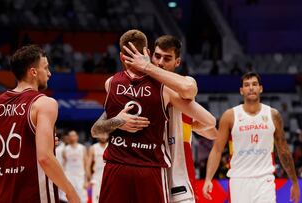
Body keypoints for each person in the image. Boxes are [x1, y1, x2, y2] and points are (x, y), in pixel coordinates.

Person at [91, 29, 216, 203]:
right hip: (148, 167)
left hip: (175, 174)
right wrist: (118, 121)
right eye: (157, 56)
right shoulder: (121, 85)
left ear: (177, 61)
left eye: (167, 58)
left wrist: (189, 127)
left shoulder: (176, 86)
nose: (160, 62)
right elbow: (97, 129)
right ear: (149, 53)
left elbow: (207, 119)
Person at [0, 44, 80, 203]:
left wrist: (37, 143)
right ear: (34, 72)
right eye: (46, 68)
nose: (49, 73)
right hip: (34, 196)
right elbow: (45, 158)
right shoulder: (44, 103)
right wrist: (70, 192)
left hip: (2, 195)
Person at [202, 72, 300, 203]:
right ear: (241, 91)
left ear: (261, 88)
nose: (251, 88)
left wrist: (294, 181)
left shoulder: (273, 115)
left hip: (265, 180)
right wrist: (208, 178)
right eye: (247, 85)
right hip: (239, 180)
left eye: (254, 84)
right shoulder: (230, 116)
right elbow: (217, 149)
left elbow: (283, 150)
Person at [62, 130, 89, 203]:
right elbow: (64, 165)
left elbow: (86, 164)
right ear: (68, 137)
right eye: (70, 136)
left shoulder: (82, 148)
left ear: (77, 137)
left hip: (80, 176)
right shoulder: (65, 149)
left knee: (82, 199)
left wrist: (87, 180)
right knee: (68, 198)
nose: (72, 137)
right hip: (69, 176)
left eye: (74, 135)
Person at [87, 133, 108, 203]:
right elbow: (88, 165)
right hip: (96, 177)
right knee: (95, 200)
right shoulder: (93, 148)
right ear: (97, 136)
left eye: (105, 134)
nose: (103, 136)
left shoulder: (111, 147)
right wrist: (89, 179)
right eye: (101, 134)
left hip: (108, 176)